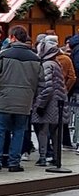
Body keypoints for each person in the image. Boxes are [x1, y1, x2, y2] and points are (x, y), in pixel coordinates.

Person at [0, 25, 41, 172]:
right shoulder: (36, 58)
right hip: (25, 101)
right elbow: (41, 80)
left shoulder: (4, 55)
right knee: (19, 131)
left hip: (3, 99)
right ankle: (14, 162)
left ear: (12, 37)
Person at [34, 35, 68, 166]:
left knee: (43, 130)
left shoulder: (46, 65)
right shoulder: (56, 63)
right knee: (55, 132)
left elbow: (47, 87)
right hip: (58, 102)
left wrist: (40, 105)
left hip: (49, 103)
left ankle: (42, 157)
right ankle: (56, 156)